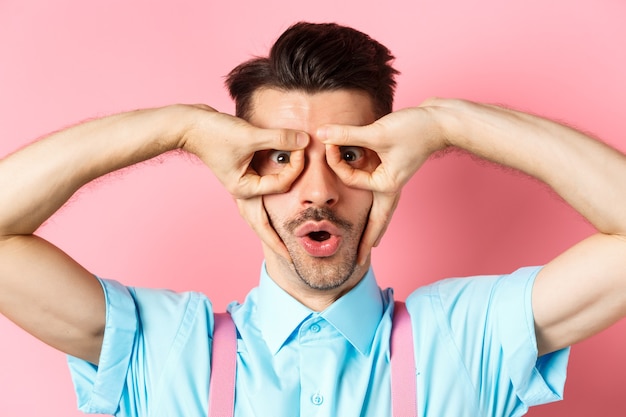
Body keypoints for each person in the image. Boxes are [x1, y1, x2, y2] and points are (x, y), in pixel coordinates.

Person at [1, 21, 625, 417]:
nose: (318, 191)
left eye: (349, 156)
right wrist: (181, 128)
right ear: (242, 177)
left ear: (391, 168)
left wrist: (446, 124)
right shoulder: (163, 349)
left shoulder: (466, 339)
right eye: (279, 159)